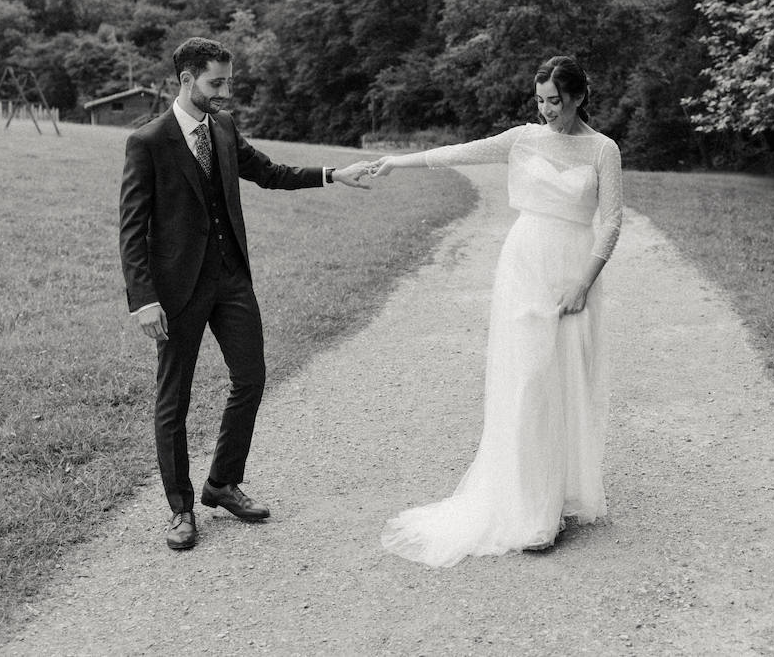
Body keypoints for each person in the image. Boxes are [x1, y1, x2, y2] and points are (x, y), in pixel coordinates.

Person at [119, 36, 372, 551]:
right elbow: (131, 228)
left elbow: (270, 173)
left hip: (232, 279)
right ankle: (181, 509)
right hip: (177, 292)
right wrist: (144, 299)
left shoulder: (226, 129)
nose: (226, 92)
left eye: (228, 81)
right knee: (175, 398)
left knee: (251, 378)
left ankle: (222, 483)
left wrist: (332, 174)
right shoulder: (148, 141)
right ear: (187, 80)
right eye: (217, 82)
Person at [371, 55, 623, 567]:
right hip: (524, 265)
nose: (546, 110)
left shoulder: (603, 150)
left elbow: (613, 222)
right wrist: (400, 161)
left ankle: (560, 495)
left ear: (577, 98)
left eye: (555, 100)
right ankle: (532, 509)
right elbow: (460, 153)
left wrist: (583, 282)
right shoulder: (522, 139)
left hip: (573, 271)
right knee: (527, 380)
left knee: (564, 379)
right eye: (540, 101)